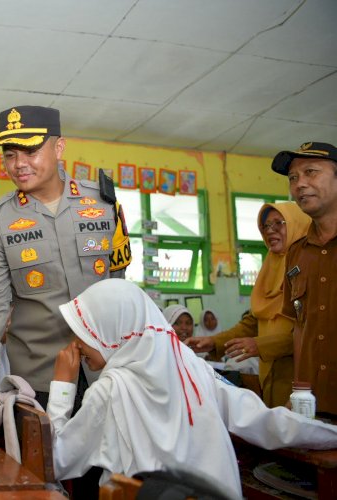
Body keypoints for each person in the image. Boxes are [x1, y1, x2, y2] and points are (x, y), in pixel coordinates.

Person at [0, 105, 131, 424]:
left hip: (110, 375)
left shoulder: (104, 204)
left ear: (59, 147)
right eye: (10, 154)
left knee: (113, 474)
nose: (19, 164)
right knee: (42, 472)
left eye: (31, 150)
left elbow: (122, 290)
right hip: (39, 386)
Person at [48, 279, 337, 499]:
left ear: (113, 331)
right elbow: (263, 421)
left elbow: (58, 462)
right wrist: (330, 435)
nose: (76, 343)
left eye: (85, 331)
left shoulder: (109, 390)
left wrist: (62, 386)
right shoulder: (194, 369)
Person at [186, 202, 311, 407]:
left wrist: (260, 345)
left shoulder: (309, 269)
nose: (270, 231)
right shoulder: (270, 268)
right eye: (266, 226)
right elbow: (253, 322)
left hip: (301, 379)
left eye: (279, 223)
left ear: (297, 224)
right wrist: (213, 342)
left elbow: (309, 333)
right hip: (269, 375)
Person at [272, 142, 337, 416]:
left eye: (311, 172)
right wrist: (298, 391)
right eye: (293, 178)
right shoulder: (297, 254)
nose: (299, 184)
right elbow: (300, 328)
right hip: (316, 406)